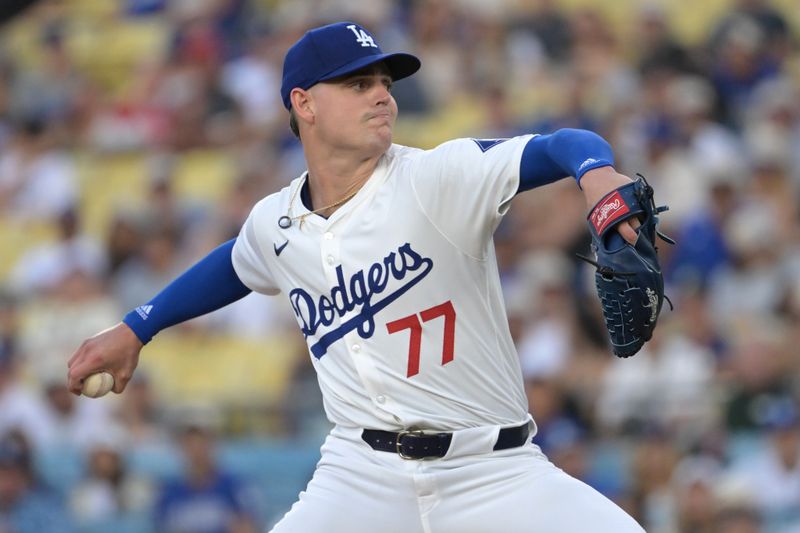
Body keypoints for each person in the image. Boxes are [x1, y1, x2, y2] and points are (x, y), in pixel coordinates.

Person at [68, 21, 646, 532]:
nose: (381, 97)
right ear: (304, 103)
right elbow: (236, 262)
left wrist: (595, 173)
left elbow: (564, 144)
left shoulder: (436, 178)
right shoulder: (277, 220)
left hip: (493, 471)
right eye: (357, 84)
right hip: (362, 475)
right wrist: (137, 327)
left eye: (385, 85)